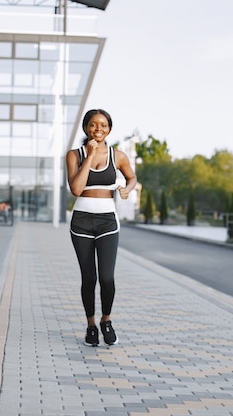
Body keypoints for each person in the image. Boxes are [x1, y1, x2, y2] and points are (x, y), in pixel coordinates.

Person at [66, 108, 137, 347]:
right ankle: (91, 326)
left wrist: (128, 188)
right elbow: (76, 189)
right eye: (94, 125)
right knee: (89, 277)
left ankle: (107, 320)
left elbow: (132, 177)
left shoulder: (117, 156)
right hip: (81, 222)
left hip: (108, 221)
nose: (99, 129)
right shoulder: (74, 155)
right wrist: (89, 157)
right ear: (86, 128)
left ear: (109, 129)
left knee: (106, 277)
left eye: (104, 125)